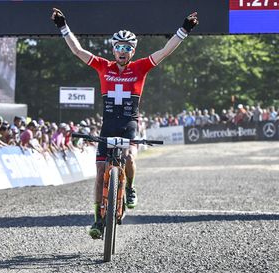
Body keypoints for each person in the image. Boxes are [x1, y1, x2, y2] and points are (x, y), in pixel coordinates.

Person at [51, 8, 199, 239]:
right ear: (113, 49)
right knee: (100, 172)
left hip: (129, 124)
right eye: (118, 47)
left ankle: (129, 187)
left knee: (128, 157)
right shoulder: (103, 66)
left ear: (133, 50)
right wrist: (63, 26)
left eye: (127, 48)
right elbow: (78, 51)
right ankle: (98, 220)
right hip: (108, 125)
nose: (122, 51)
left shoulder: (140, 67)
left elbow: (165, 52)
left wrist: (184, 29)